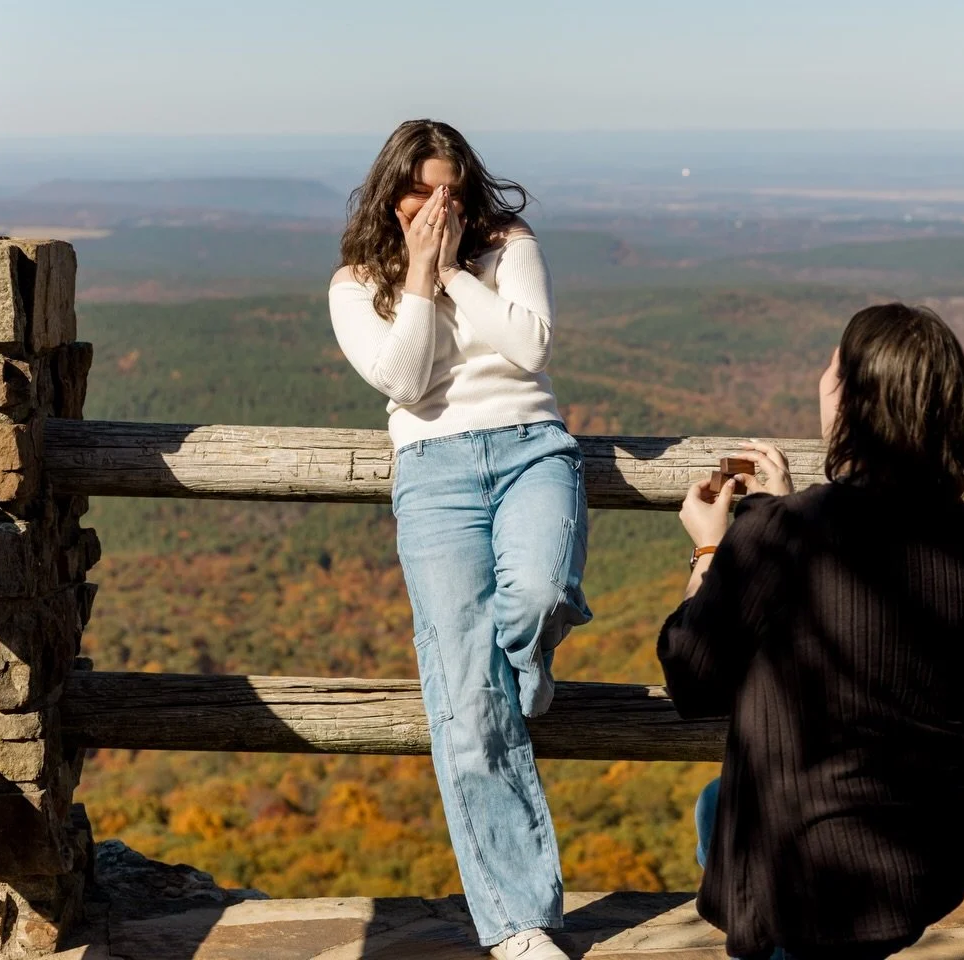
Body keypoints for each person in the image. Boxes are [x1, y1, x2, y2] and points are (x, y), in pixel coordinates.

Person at [658, 303, 964, 960]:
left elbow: (691, 677)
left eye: (833, 368)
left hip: (815, 865)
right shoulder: (961, 535)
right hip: (928, 840)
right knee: (713, 803)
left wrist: (711, 553)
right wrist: (784, 509)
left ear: (852, 399)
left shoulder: (787, 532)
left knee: (724, 817)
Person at [329, 119, 589, 960]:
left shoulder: (510, 246)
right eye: (419, 189)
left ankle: (523, 660)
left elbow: (531, 346)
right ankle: (519, 923)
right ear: (390, 191)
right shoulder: (354, 285)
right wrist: (416, 282)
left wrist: (455, 278)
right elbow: (406, 379)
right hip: (433, 474)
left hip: (530, 449)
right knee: (468, 709)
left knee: (543, 593)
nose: (436, 204)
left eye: (451, 189)